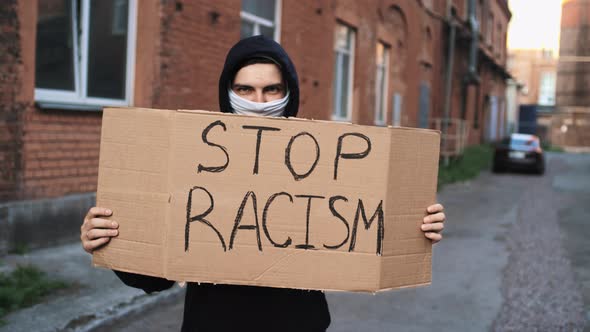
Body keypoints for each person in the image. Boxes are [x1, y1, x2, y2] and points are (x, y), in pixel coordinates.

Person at [81, 35, 446, 332]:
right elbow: (155, 277)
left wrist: (413, 228)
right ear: (228, 92)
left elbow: (363, 231)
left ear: (289, 92)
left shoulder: (320, 162)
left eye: (272, 90)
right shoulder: (193, 162)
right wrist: (113, 241)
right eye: (245, 89)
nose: (258, 103)